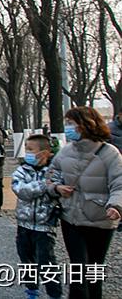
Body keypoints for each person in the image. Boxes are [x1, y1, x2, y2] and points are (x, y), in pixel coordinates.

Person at [47, 106, 122, 299]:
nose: (68, 127)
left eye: (71, 123)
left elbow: (119, 184)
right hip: (71, 218)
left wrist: (115, 205)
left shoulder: (110, 153)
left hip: (101, 220)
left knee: (94, 270)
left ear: (86, 125)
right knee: (78, 269)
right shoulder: (65, 151)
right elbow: (52, 175)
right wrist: (56, 188)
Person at [12, 134, 62, 299]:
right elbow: (20, 190)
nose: (27, 153)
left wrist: (52, 187)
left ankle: (54, 294)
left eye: (31, 149)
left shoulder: (53, 171)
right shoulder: (22, 170)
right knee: (26, 259)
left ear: (45, 153)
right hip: (24, 224)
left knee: (46, 261)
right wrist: (43, 186)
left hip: (44, 225)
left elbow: (56, 189)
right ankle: (31, 290)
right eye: (26, 149)